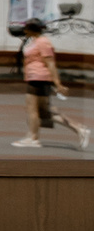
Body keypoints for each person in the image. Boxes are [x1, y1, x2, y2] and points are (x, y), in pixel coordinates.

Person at [15, 18, 91, 151]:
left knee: (32, 109)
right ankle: (80, 129)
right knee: (45, 112)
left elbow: (50, 63)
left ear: (32, 29)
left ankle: (33, 139)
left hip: (38, 78)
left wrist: (58, 84)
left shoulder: (43, 42)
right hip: (35, 78)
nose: (24, 30)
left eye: (26, 28)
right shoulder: (35, 41)